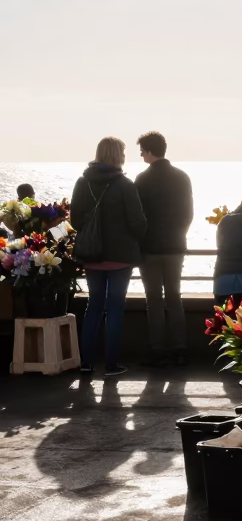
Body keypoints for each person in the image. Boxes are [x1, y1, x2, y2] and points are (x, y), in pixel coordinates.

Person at [70, 137, 147, 377]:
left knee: (94, 306)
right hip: (120, 256)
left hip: (92, 255)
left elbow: (74, 220)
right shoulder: (125, 185)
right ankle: (111, 365)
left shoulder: (83, 182)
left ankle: (86, 363)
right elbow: (137, 222)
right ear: (117, 156)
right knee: (114, 308)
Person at [134, 131, 194, 367]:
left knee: (154, 300)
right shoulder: (182, 177)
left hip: (149, 248)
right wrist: (179, 234)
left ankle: (157, 349)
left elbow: (137, 218)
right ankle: (180, 348)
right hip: (175, 247)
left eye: (142, 151)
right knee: (174, 297)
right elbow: (188, 213)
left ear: (149, 151)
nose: (141, 155)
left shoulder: (141, 180)